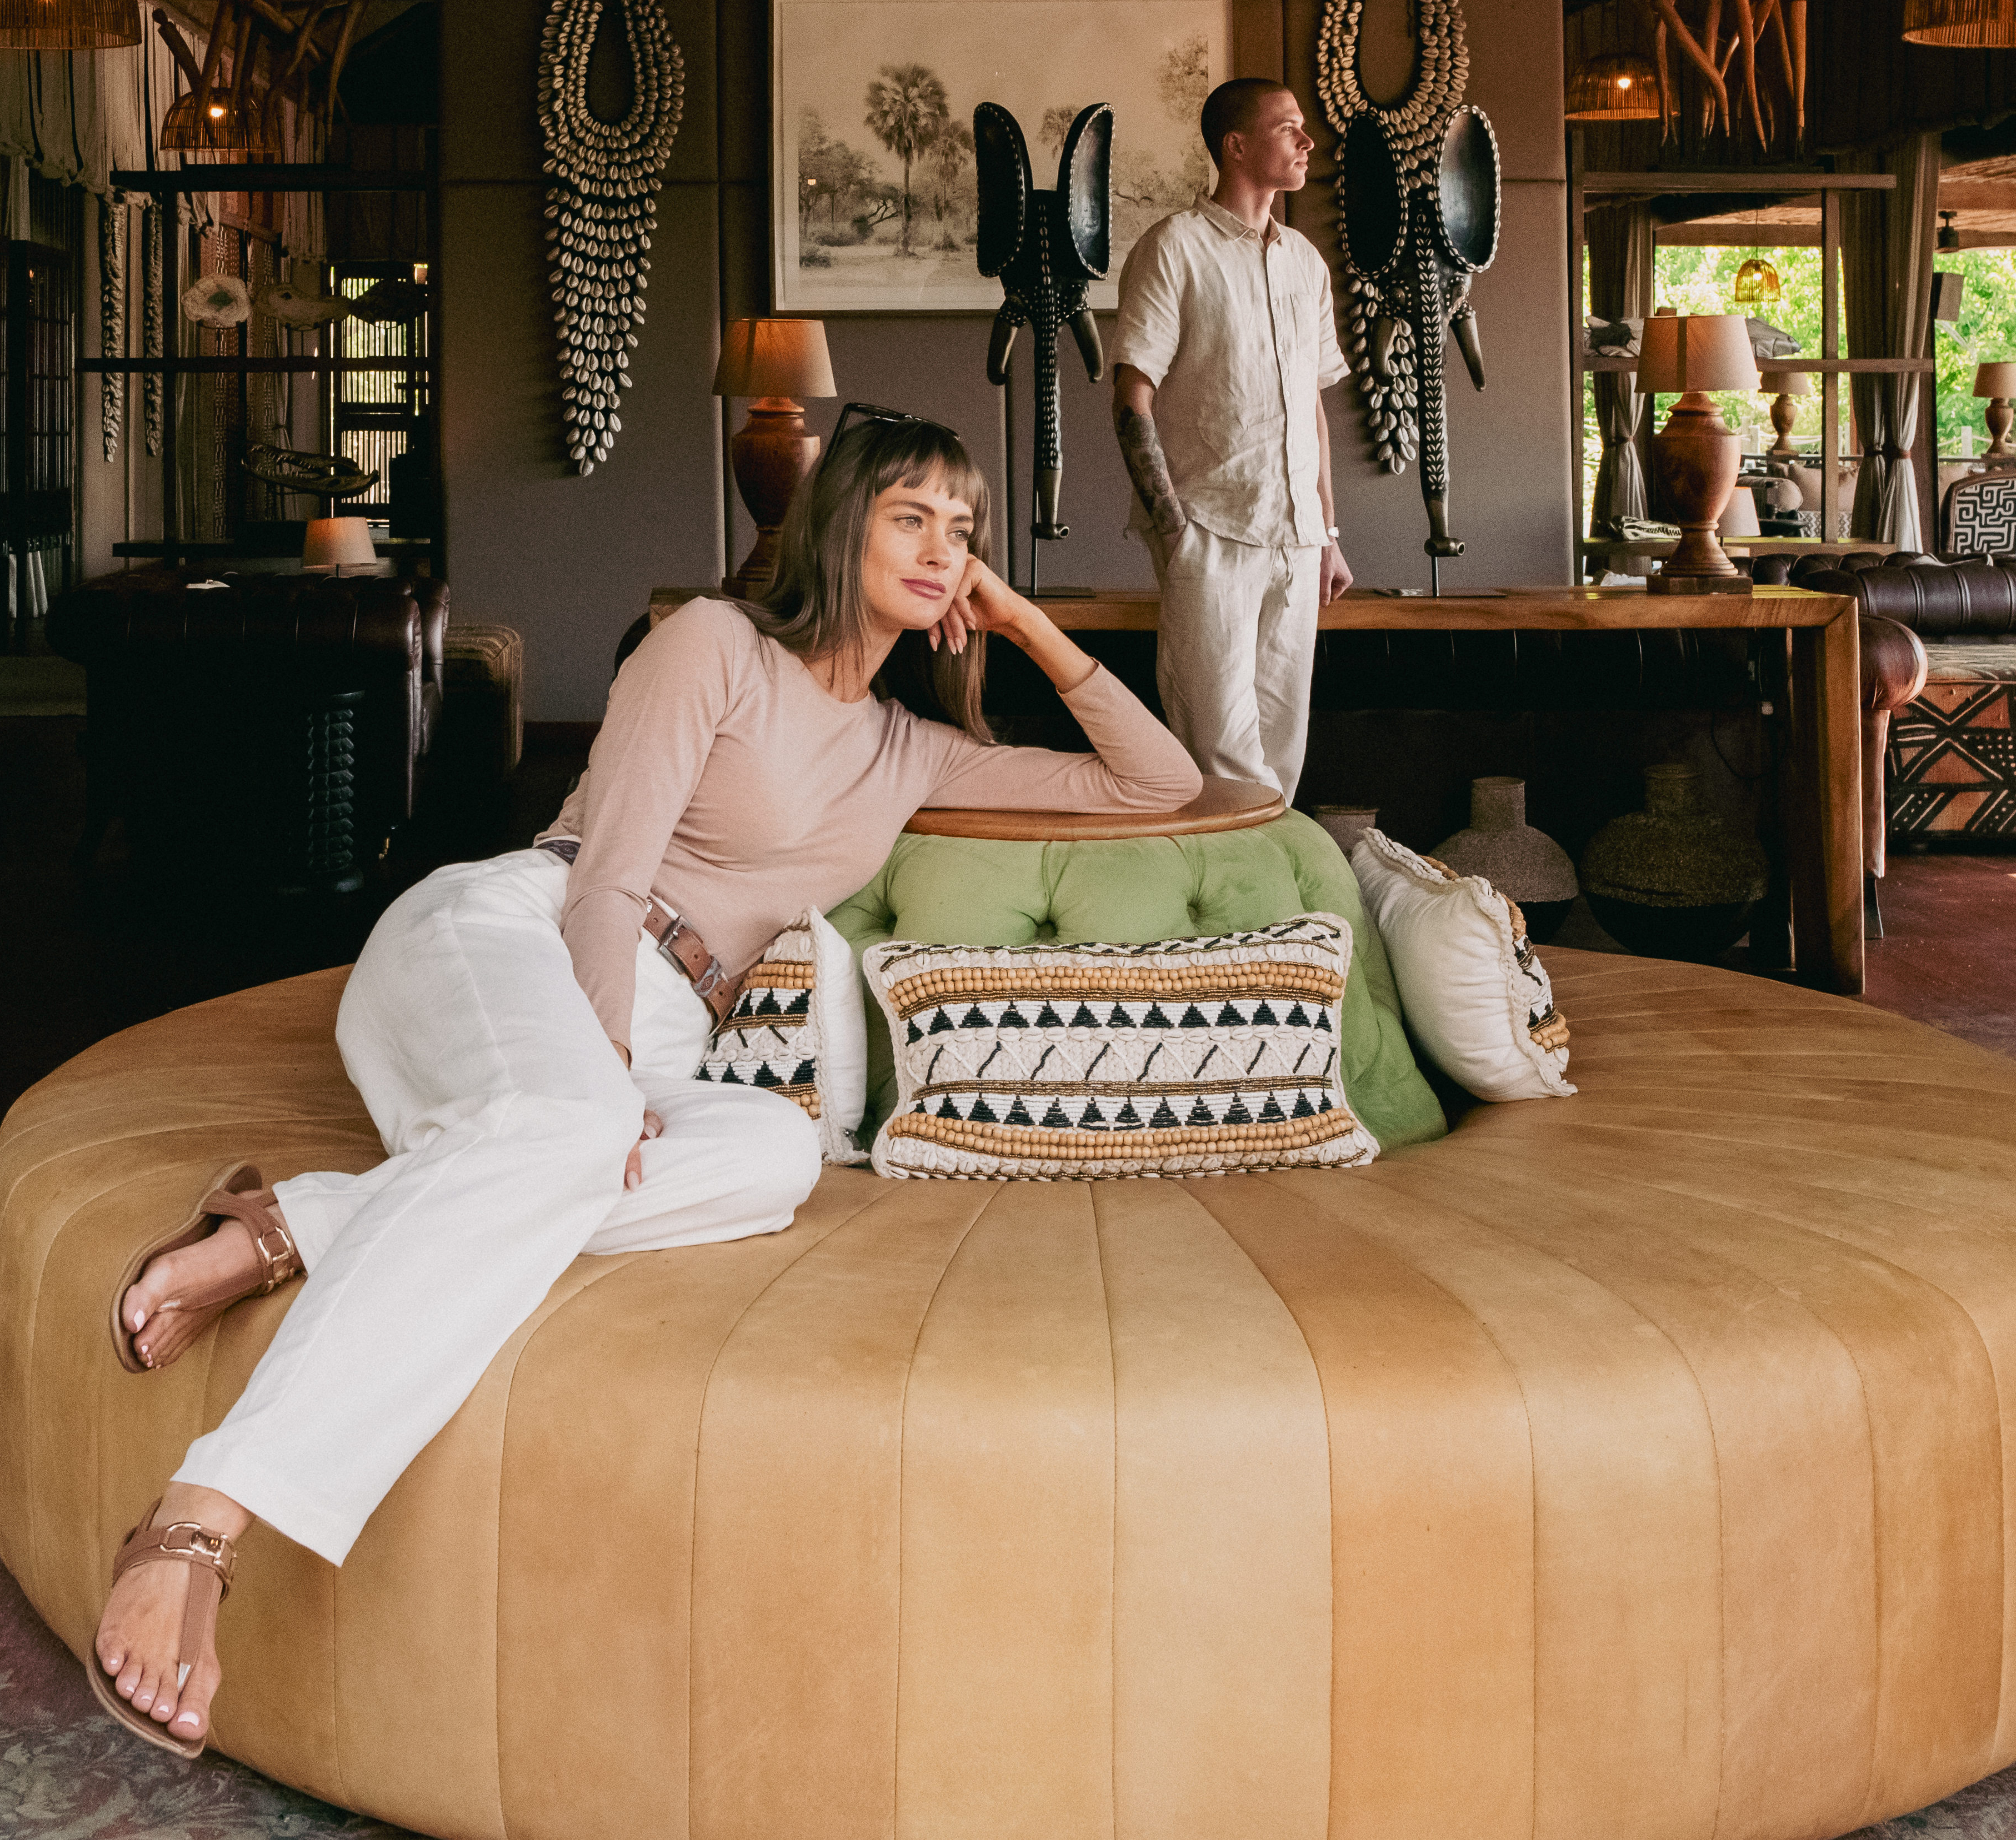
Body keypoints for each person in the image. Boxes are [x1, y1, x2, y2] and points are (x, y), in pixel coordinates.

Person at [86, 415, 1198, 1756]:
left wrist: (1023, 622)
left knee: (771, 1160)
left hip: (651, 1046)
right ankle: (200, 1519)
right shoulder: (713, 646)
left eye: (962, 531)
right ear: (839, 521)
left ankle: (290, 1226)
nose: (942, 548)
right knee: (562, 1130)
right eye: (912, 515)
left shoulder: (913, 753)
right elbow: (607, 872)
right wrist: (604, 1074)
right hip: (511, 941)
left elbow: (1161, 782)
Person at [1110, 75, 1353, 792]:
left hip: (1298, 543)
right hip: (1208, 536)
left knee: (1283, 753)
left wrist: (1327, 534)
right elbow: (1130, 399)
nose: (1307, 141)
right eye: (1287, 127)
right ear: (1236, 145)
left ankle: (1271, 901)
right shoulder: (1173, 249)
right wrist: (1174, 535)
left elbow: (1308, 407)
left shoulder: (1305, 263)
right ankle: (1226, 900)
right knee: (1214, 756)